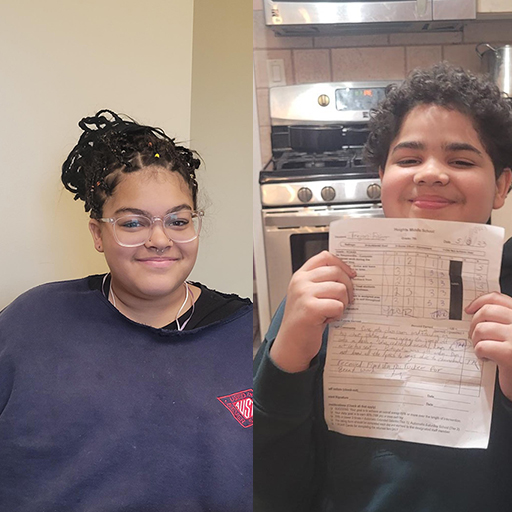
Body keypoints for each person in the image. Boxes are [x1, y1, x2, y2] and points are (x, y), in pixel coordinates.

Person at [254, 63, 512, 511]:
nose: (430, 174)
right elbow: (261, 476)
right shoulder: (319, 295)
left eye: (461, 160)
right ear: (381, 177)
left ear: (502, 185)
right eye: (408, 159)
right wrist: (288, 356)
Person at [0, 110, 253, 510]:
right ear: (98, 233)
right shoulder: (31, 324)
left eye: (179, 220)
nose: (160, 239)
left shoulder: (246, 334)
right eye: (133, 224)